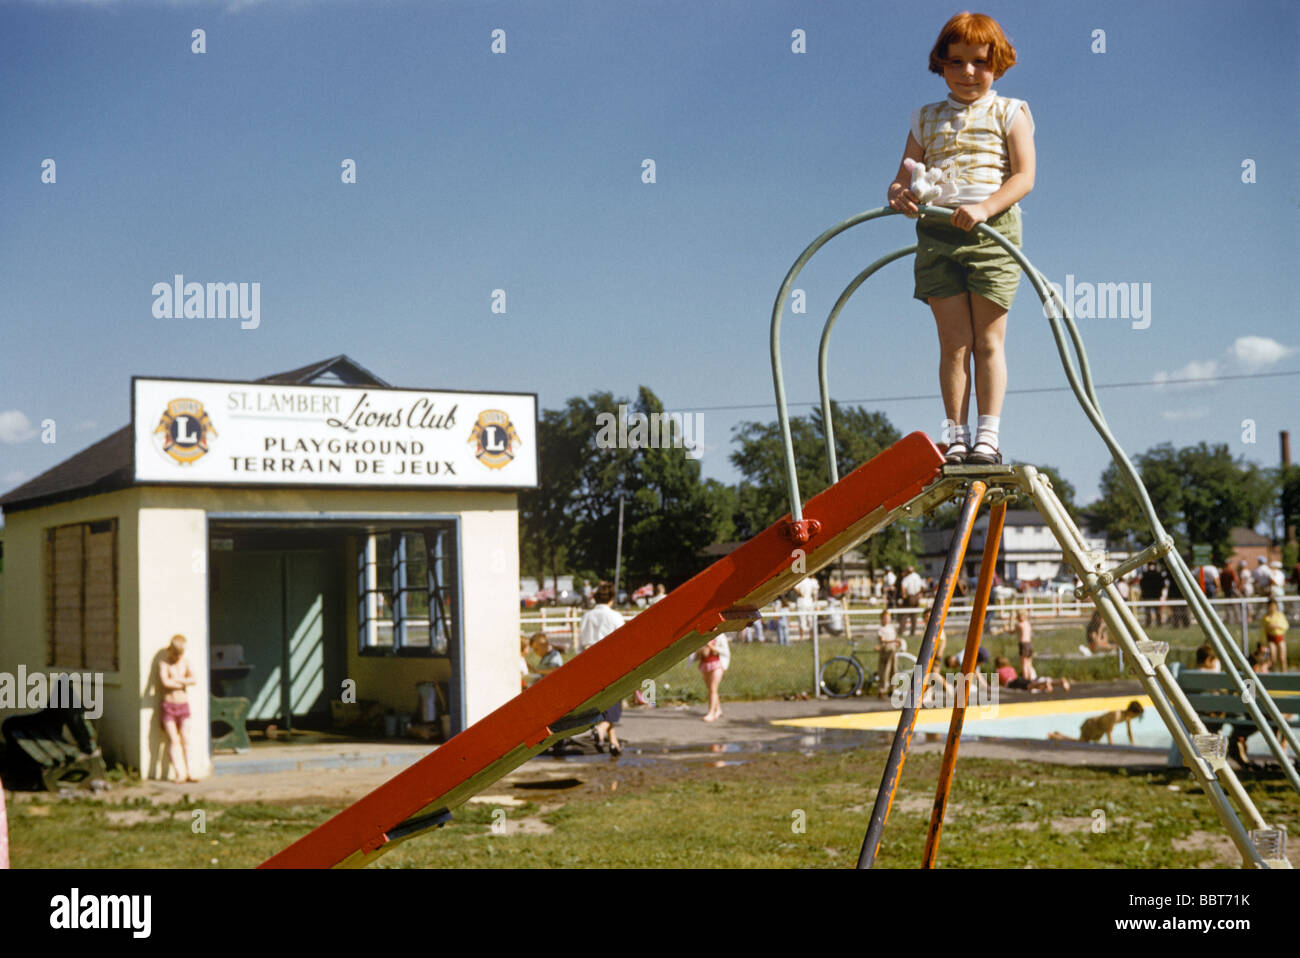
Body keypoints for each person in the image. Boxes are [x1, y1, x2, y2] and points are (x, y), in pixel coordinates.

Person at [887, 12, 1034, 467]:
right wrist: (899, 195)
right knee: (954, 342)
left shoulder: (1010, 111)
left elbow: (1025, 176)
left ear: (998, 64)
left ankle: (988, 436)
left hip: (991, 231)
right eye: (956, 62)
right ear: (941, 65)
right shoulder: (924, 118)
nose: (968, 72)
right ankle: (956, 436)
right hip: (936, 231)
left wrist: (986, 208)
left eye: (979, 62)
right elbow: (900, 179)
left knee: (988, 341)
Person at [578, 581, 625, 755]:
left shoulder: (587, 616)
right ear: (612, 598)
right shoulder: (615, 617)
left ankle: (613, 741)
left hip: (590, 659)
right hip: (610, 660)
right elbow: (622, 640)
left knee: (603, 702)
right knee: (614, 702)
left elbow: (581, 641)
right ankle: (601, 728)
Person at [158, 634, 198, 783]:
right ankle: (179, 773)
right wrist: (182, 683)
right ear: (170, 651)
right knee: (174, 740)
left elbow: (194, 679)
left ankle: (190, 772)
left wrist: (179, 680)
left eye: (180, 654)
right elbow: (165, 682)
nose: (177, 657)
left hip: (183, 705)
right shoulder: (164, 663)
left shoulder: (185, 662)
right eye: (175, 653)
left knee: (185, 738)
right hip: (169, 705)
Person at [1048, 701, 1144, 745]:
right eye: (1136, 715)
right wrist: (1112, 747)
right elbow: (1109, 732)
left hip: (1098, 731)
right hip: (1091, 725)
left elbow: (1129, 732)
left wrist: (1132, 744)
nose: (1136, 717)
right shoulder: (1116, 715)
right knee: (1081, 744)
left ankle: (1058, 735)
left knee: (1081, 743)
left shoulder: (1127, 718)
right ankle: (1053, 736)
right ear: (1132, 712)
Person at [695, 633, 730, 722]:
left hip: (717, 664)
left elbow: (725, 651)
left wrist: (710, 647)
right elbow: (697, 652)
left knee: (712, 689)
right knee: (710, 689)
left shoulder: (720, 636)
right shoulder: (702, 636)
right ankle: (718, 709)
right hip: (705, 664)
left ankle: (711, 713)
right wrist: (702, 650)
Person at [994, 655, 1066, 693]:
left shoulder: (998, 670)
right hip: (1018, 679)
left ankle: (1045, 682)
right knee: (1033, 684)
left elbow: (997, 683)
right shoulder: (1011, 668)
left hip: (1012, 683)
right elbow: (1014, 676)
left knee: (1030, 686)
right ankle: (1058, 682)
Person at [875, 610, 906, 698]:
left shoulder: (891, 628)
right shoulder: (881, 629)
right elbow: (882, 640)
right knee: (885, 670)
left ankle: (892, 689)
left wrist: (897, 643)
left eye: (888, 618)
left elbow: (894, 638)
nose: (886, 620)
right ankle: (882, 689)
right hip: (885, 650)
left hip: (893, 650)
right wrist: (894, 641)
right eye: (884, 618)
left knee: (893, 669)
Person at [1261, 598, 1289, 672]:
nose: (1272, 607)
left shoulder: (1280, 615)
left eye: (1273, 606)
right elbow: (1263, 628)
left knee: (1282, 658)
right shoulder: (1266, 617)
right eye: (1270, 606)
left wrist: (1277, 626)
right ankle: (1274, 674)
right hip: (1271, 639)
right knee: (1273, 658)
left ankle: (1284, 674)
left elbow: (1285, 626)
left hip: (1280, 638)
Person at [899, 565, 925, 635]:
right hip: (916, 597)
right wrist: (920, 594)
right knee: (914, 615)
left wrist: (903, 595)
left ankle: (901, 631)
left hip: (909, 597)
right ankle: (912, 632)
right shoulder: (917, 576)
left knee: (904, 615)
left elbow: (903, 586)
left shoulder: (906, 578)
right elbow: (922, 586)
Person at [1140, 563, 1167, 627]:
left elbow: (1142, 585)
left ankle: (1148, 623)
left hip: (1147, 596)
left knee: (1148, 611)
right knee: (1157, 611)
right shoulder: (1158, 575)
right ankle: (1159, 623)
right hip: (1156, 595)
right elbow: (1162, 585)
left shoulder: (1145, 575)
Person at [1015, 609, 1036, 679]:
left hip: (1023, 644)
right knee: (1029, 664)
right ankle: (1031, 679)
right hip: (1029, 644)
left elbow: (1011, 632)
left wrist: (1006, 628)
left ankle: (1026, 680)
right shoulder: (1028, 623)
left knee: (1024, 664)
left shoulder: (1019, 624)